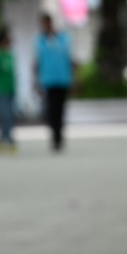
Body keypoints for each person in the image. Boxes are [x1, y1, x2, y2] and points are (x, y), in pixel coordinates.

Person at [34, 14, 74, 151]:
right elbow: (37, 61)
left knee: (61, 110)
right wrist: (36, 81)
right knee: (51, 111)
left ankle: (59, 137)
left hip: (62, 79)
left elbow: (69, 58)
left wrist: (73, 79)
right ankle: (54, 136)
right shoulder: (40, 40)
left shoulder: (63, 38)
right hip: (48, 80)